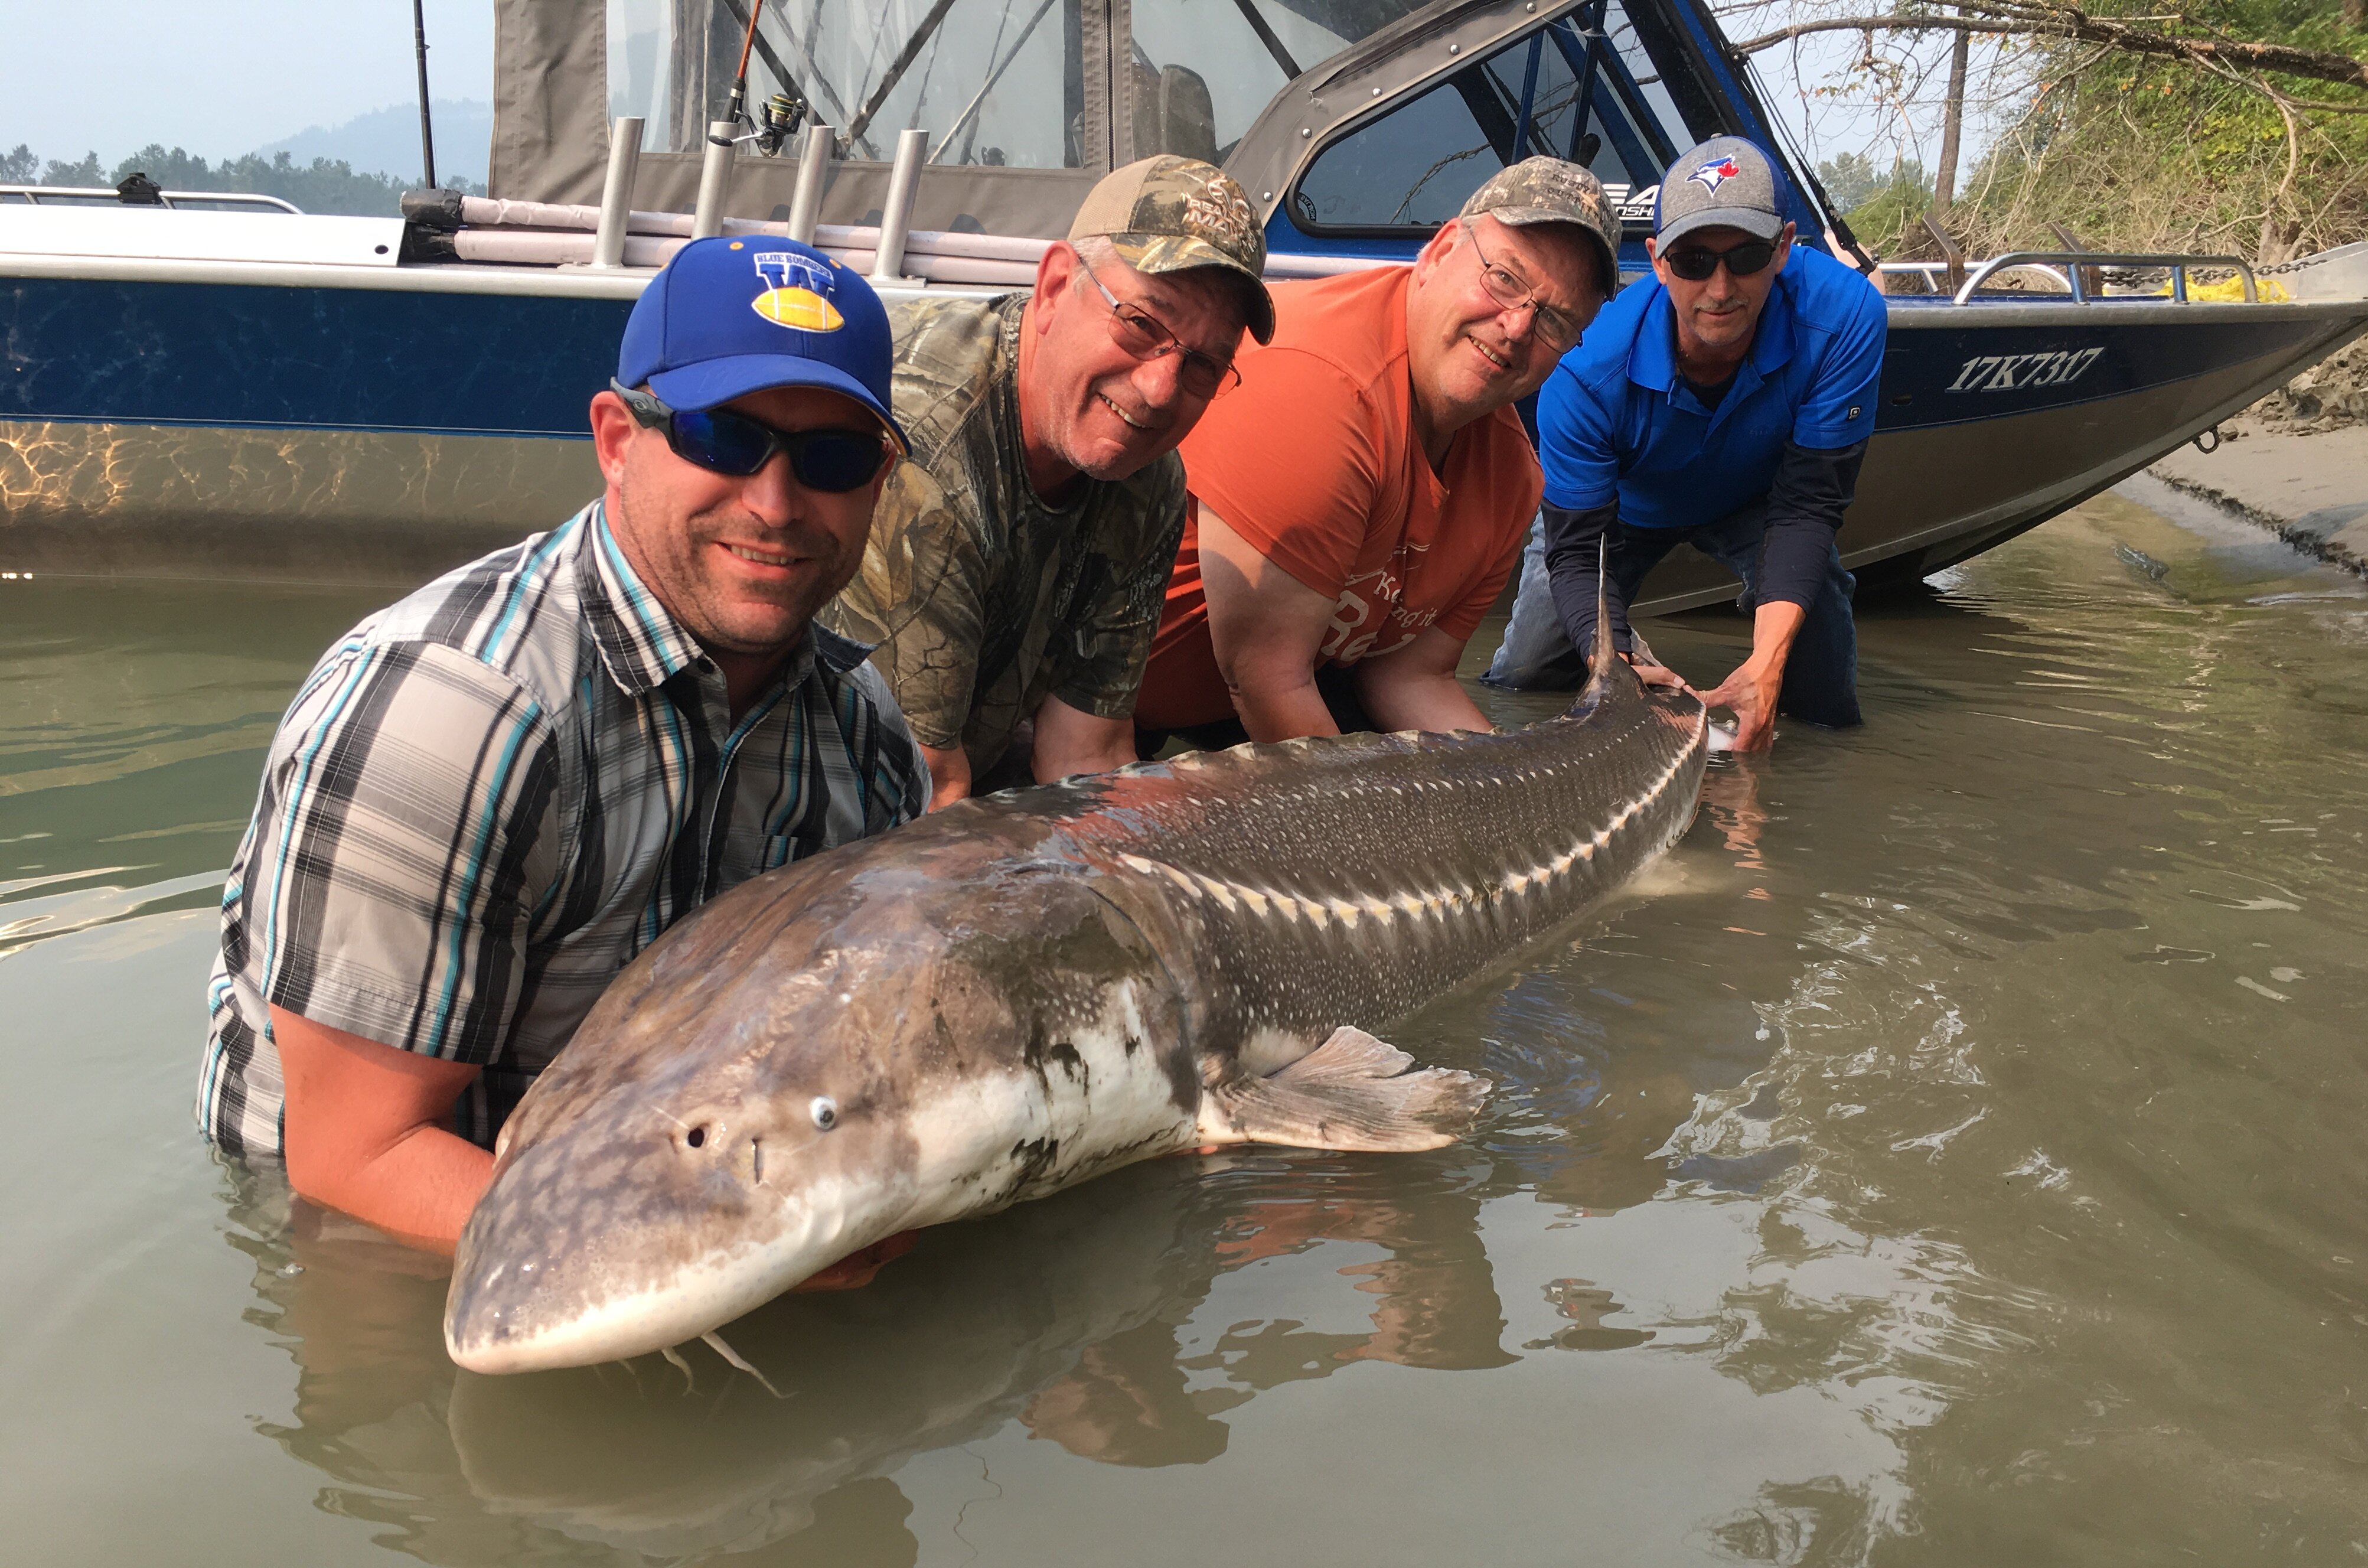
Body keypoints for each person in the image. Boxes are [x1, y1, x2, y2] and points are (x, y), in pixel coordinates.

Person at [199, 234, 927, 1264]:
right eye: (723, 436)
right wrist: (774, 1262)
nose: (774, 503)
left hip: (692, 1191)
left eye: (834, 458)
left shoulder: (867, 734)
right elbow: (356, 1155)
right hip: (378, 1245)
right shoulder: (446, 711)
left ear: (878, 481)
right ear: (617, 438)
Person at [821, 155, 1273, 808]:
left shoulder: (1149, 478)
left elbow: (1084, 754)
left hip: (962, 769)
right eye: (1142, 324)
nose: (1157, 390)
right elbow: (924, 794)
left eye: (1204, 363)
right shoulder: (930, 457)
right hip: (827, 813)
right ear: (1057, 285)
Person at [1130, 158, 1620, 749]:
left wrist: (1520, 788)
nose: (1516, 327)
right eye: (1505, 279)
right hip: (1119, 708)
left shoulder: (1515, 480)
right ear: (1439, 251)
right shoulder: (1321, 383)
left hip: (1279, 695)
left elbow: (1409, 675)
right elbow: (1264, 677)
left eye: (1557, 321)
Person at [1483, 136, 1887, 752]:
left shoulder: (1847, 315)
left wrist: (1769, 663)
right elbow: (1577, 551)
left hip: (1758, 499)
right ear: (1658, 259)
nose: (1720, 288)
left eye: (1746, 256)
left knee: (1821, 674)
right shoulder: (1586, 363)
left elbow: (1810, 504)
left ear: (1783, 248)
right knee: (1527, 673)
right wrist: (1613, 659)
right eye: (1695, 261)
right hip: (1622, 508)